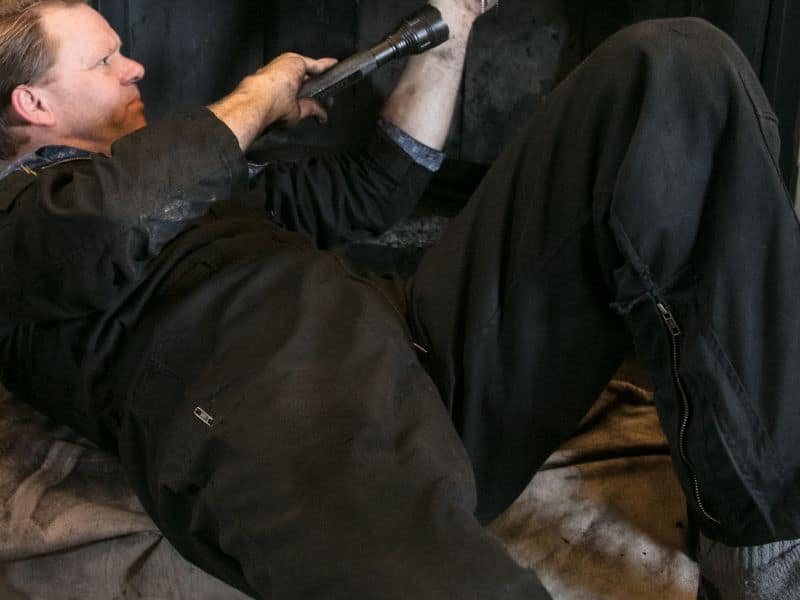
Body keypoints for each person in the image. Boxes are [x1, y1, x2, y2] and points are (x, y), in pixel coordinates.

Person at [0, 1, 797, 599]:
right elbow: (108, 223)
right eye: (106, 61)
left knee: (668, 64)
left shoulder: (195, 190)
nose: (134, 68)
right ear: (31, 105)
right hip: (282, 411)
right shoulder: (24, 221)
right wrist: (254, 99)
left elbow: (372, 189)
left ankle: (761, 544)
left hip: (422, 352)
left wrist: (451, 28)